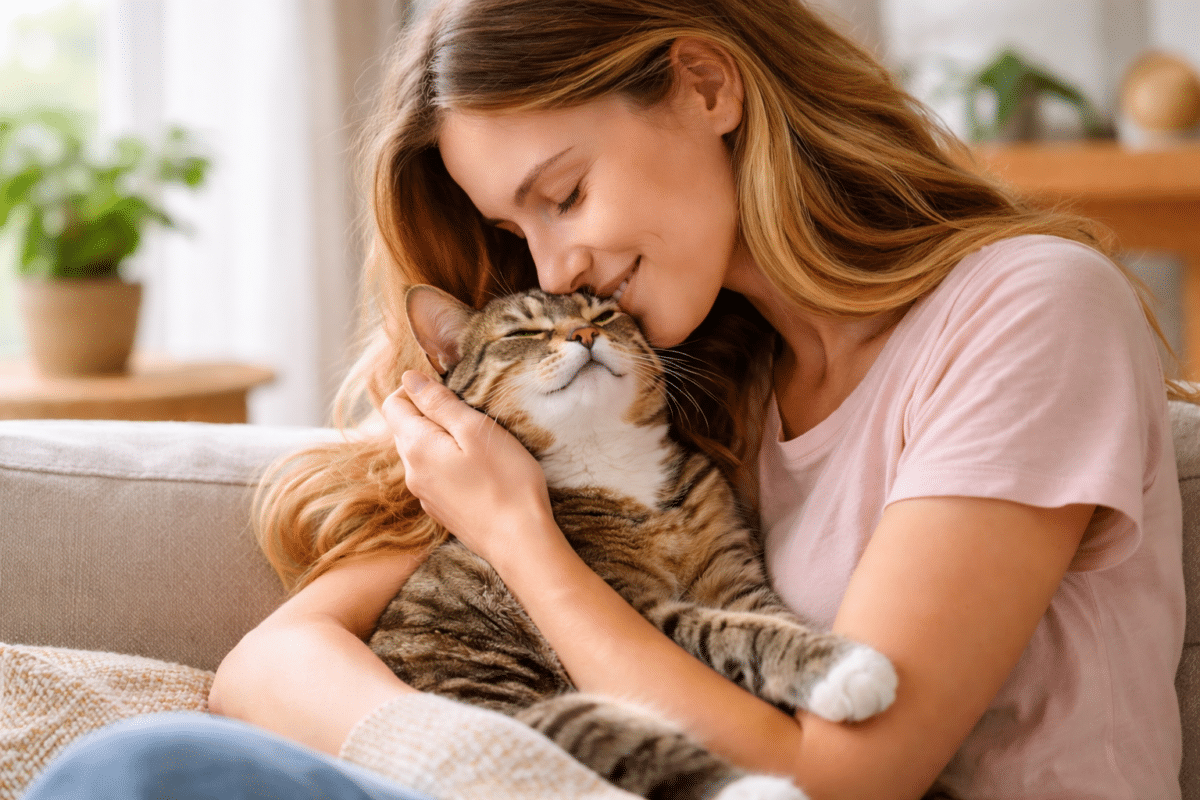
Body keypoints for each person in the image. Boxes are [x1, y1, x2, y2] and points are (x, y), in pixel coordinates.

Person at [37, 0, 1188, 798]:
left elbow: (841, 779)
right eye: (515, 229)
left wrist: (520, 535)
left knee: (139, 773)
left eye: (566, 192)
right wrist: (479, 766)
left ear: (706, 84)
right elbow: (271, 661)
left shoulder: (1029, 310)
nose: (556, 269)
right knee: (135, 768)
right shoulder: (683, 380)